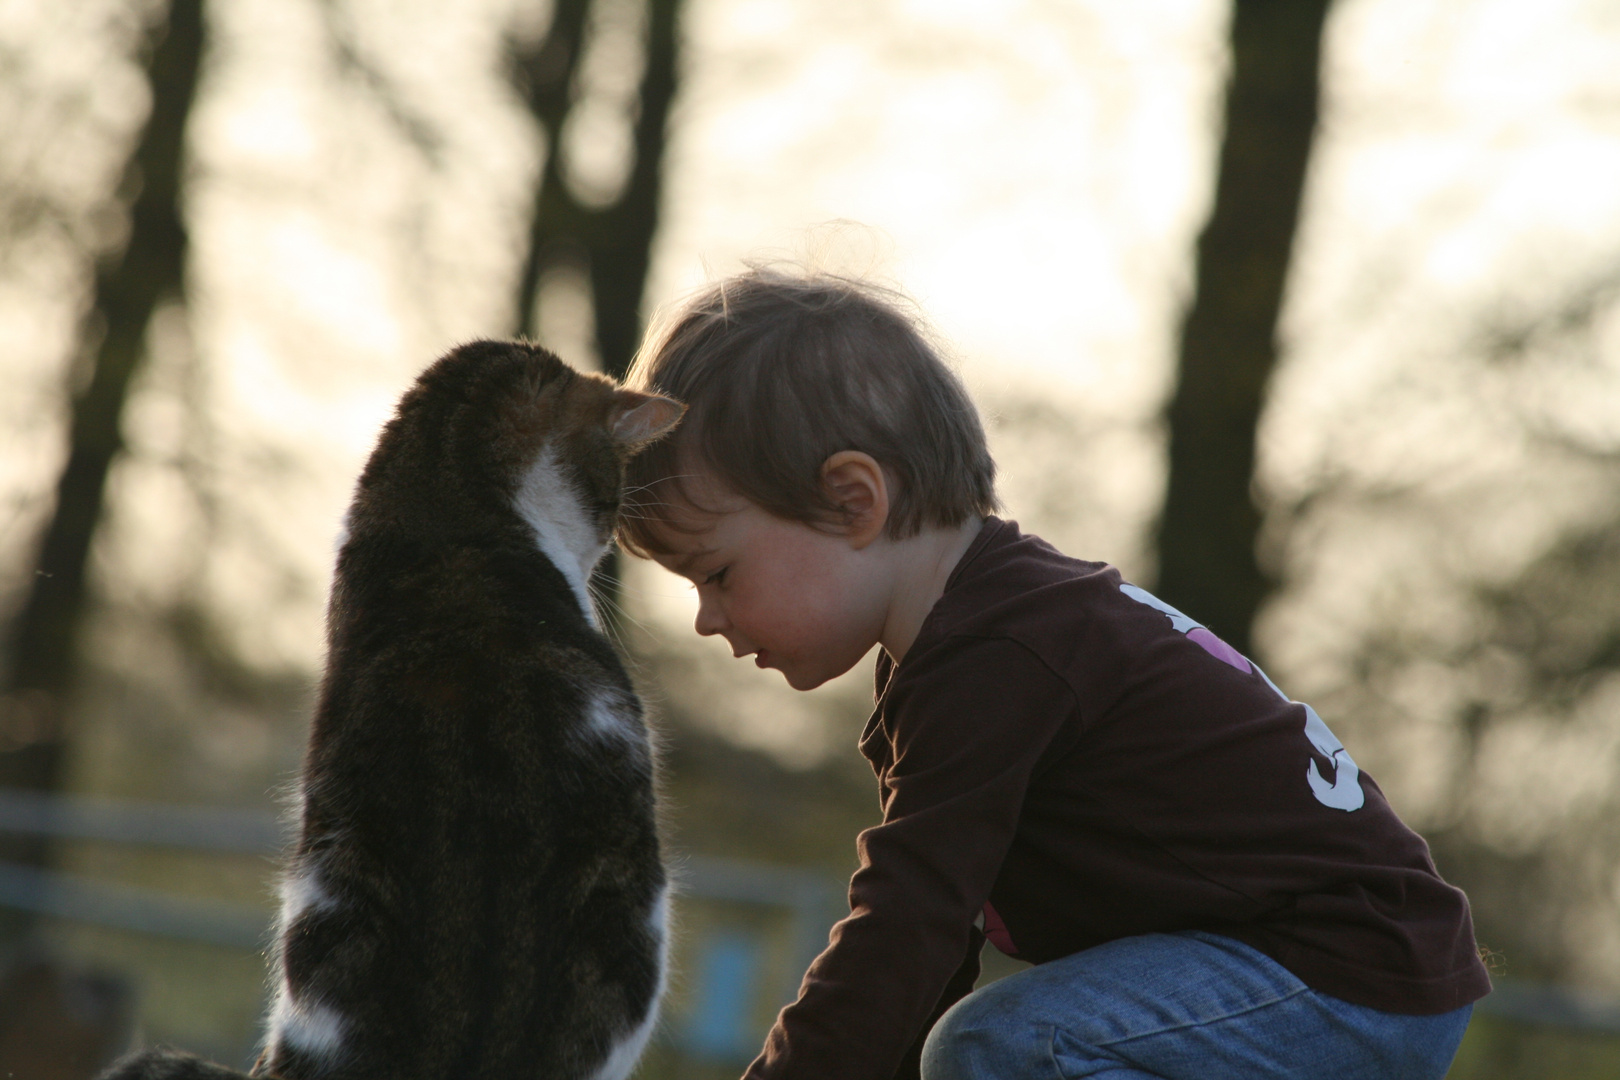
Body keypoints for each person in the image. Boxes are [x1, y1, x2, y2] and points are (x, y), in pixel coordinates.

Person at [616, 267, 1491, 1080]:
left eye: (717, 572)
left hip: (1339, 978)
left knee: (1007, 1045)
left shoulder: (997, 657)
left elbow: (907, 925)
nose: (707, 618)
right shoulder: (994, 625)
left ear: (854, 501)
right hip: (1345, 965)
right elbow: (926, 951)